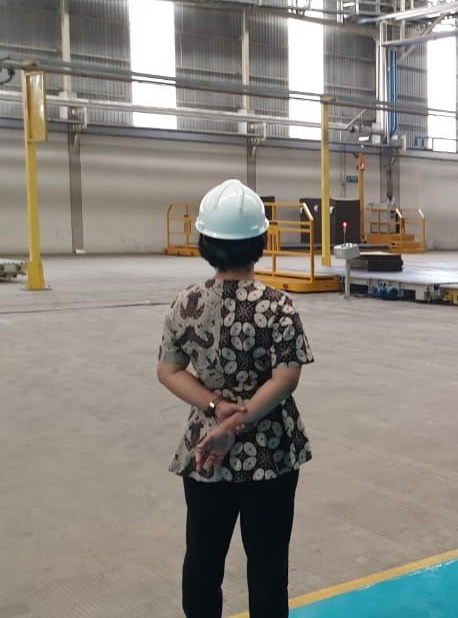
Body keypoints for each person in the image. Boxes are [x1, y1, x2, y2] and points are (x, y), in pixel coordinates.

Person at [157, 179, 314, 618]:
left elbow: (169, 370)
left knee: (203, 560)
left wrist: (215, 409)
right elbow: (286, 378)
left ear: (205, 244)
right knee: (267, 566)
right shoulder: (278, 306)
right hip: (271, 452)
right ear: (260, 243)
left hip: (206, 453)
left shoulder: (185, 304)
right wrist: (238, 423)